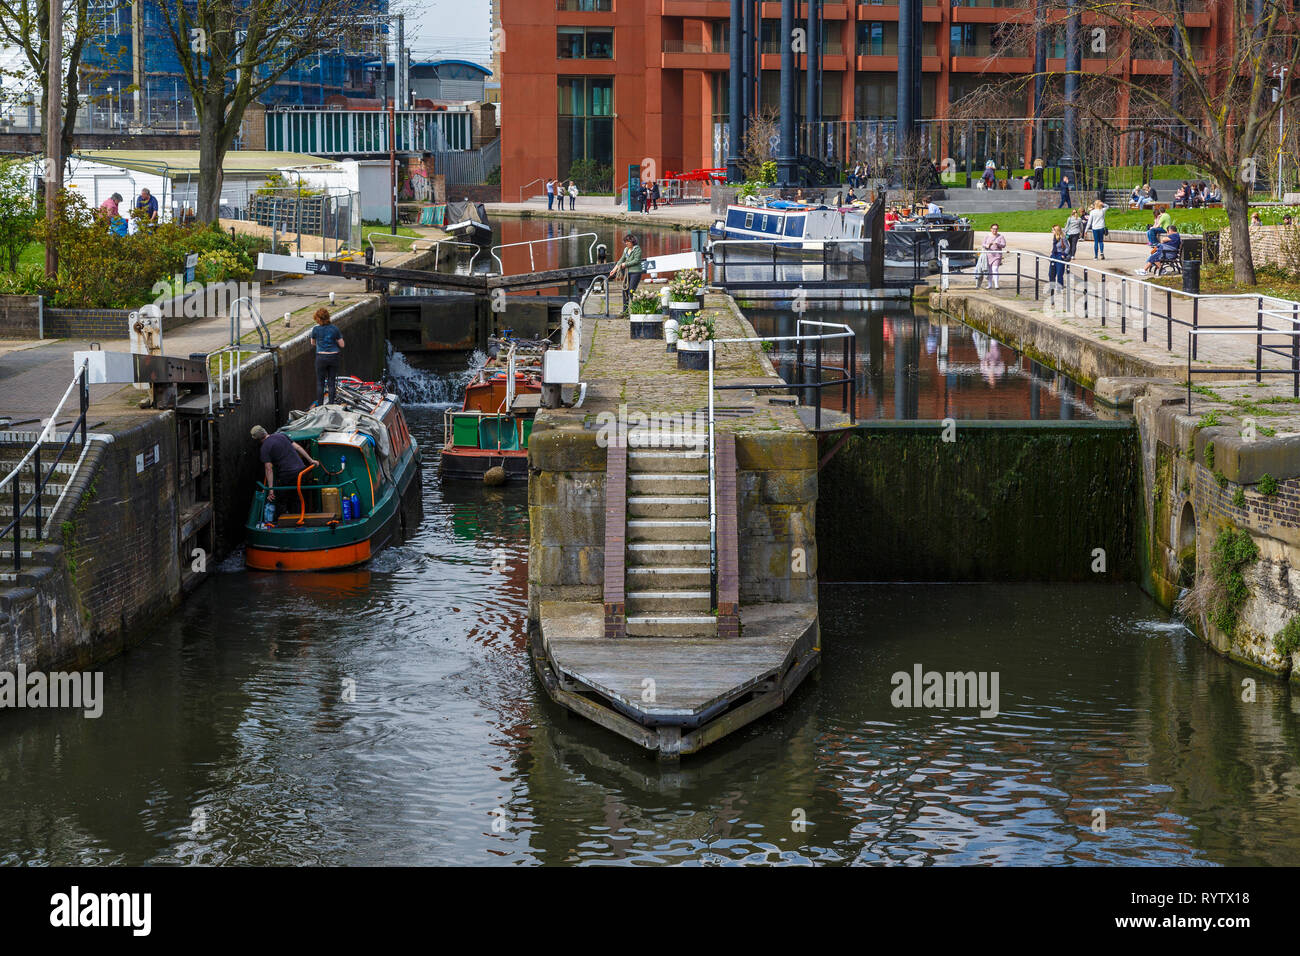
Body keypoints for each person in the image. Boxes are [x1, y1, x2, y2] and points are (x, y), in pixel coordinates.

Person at [251, 424, 318, 519]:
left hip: (287, 475)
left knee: (281, 500)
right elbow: (298, 448)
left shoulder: (265, 448)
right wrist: (311, 460)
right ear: (265, 431)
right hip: (301, 471)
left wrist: (271, 489)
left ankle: (282, 522)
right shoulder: (282, 435)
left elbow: (269, 469)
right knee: (297, 497)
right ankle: (300, 519)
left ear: (257, 439)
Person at [310, 307, 345, 406]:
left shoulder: (315, 329)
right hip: (334, 357)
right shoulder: (335, 329)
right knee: (331, 382)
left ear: (317, 319)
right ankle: (331, 404)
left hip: (321, 358)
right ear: (328, 317)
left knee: (320, 383)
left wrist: (321, 345)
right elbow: (342, 345)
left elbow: (313, 343)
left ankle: (320, 405)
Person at [609, 234, 643, 312]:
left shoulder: (637, 249)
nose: (626, 243)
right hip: (627, 273)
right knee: (624, 290)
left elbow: (636, 260)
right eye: (625, 242)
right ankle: (625, 311)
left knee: (631, 291)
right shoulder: (626, 250)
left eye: (628, 242)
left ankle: (637, 309)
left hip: (635, 272)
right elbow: (621, 260)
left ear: (632, 242)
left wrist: (625, 264)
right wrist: (614, 269)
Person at [978, 223, 1006, 290]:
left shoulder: (1001, 236)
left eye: (996, 229)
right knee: (989, 271)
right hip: (988, 255)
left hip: (997, 255)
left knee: (995, 269)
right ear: (991, 229)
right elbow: (983, 244)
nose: (995, 230)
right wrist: (988, 245)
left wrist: (998, 244)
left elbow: (1004, 245)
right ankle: (989, 284)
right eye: (993, 229)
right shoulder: (987, 236)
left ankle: (996, 284)